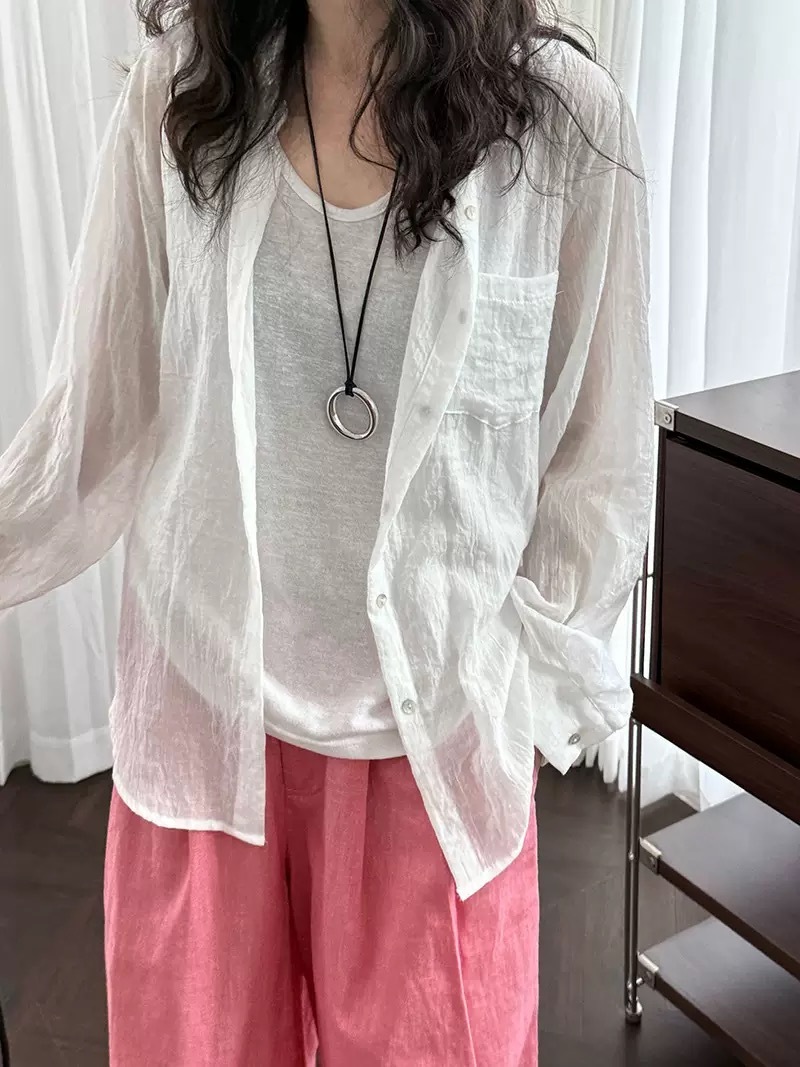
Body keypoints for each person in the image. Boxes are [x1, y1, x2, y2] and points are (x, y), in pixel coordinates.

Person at [0, 0, 654, 1063]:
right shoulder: (183, 92)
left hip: (435, 753)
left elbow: (598, 458)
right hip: (206, 729)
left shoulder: (558, 123)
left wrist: (518, 702)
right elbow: (93, 420)